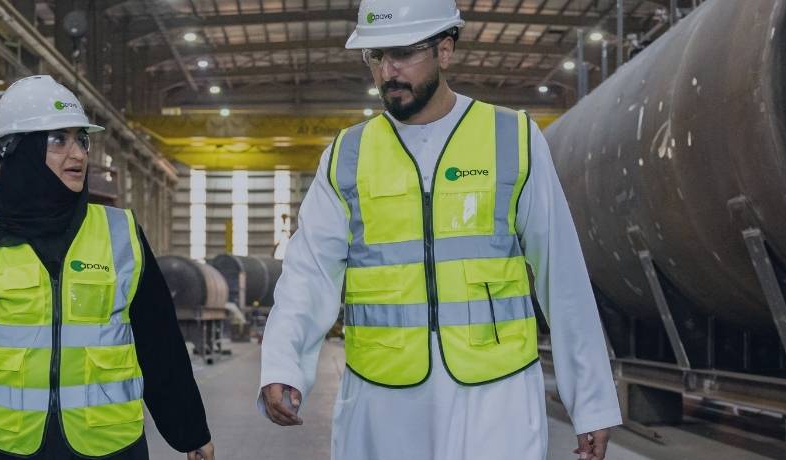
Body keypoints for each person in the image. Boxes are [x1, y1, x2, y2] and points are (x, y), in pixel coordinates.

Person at [256, 1, 624, 458]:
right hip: (381, 395)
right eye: (375, 56)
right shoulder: (347, 155)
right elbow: (308, 273)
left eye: (402, 53)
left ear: (445, 50)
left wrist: (590, 402)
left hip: (495, 393)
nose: (387, 71)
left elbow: (561, 275)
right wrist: (282, 364)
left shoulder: (512, 137)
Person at [0, 75, 216, 460]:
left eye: (82, 139)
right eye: (59, 140)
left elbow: (159, 342)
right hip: (4, 447)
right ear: (20, 151)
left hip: (107, 446)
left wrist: (189, 432)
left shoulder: (121, 234)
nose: (79, 154)